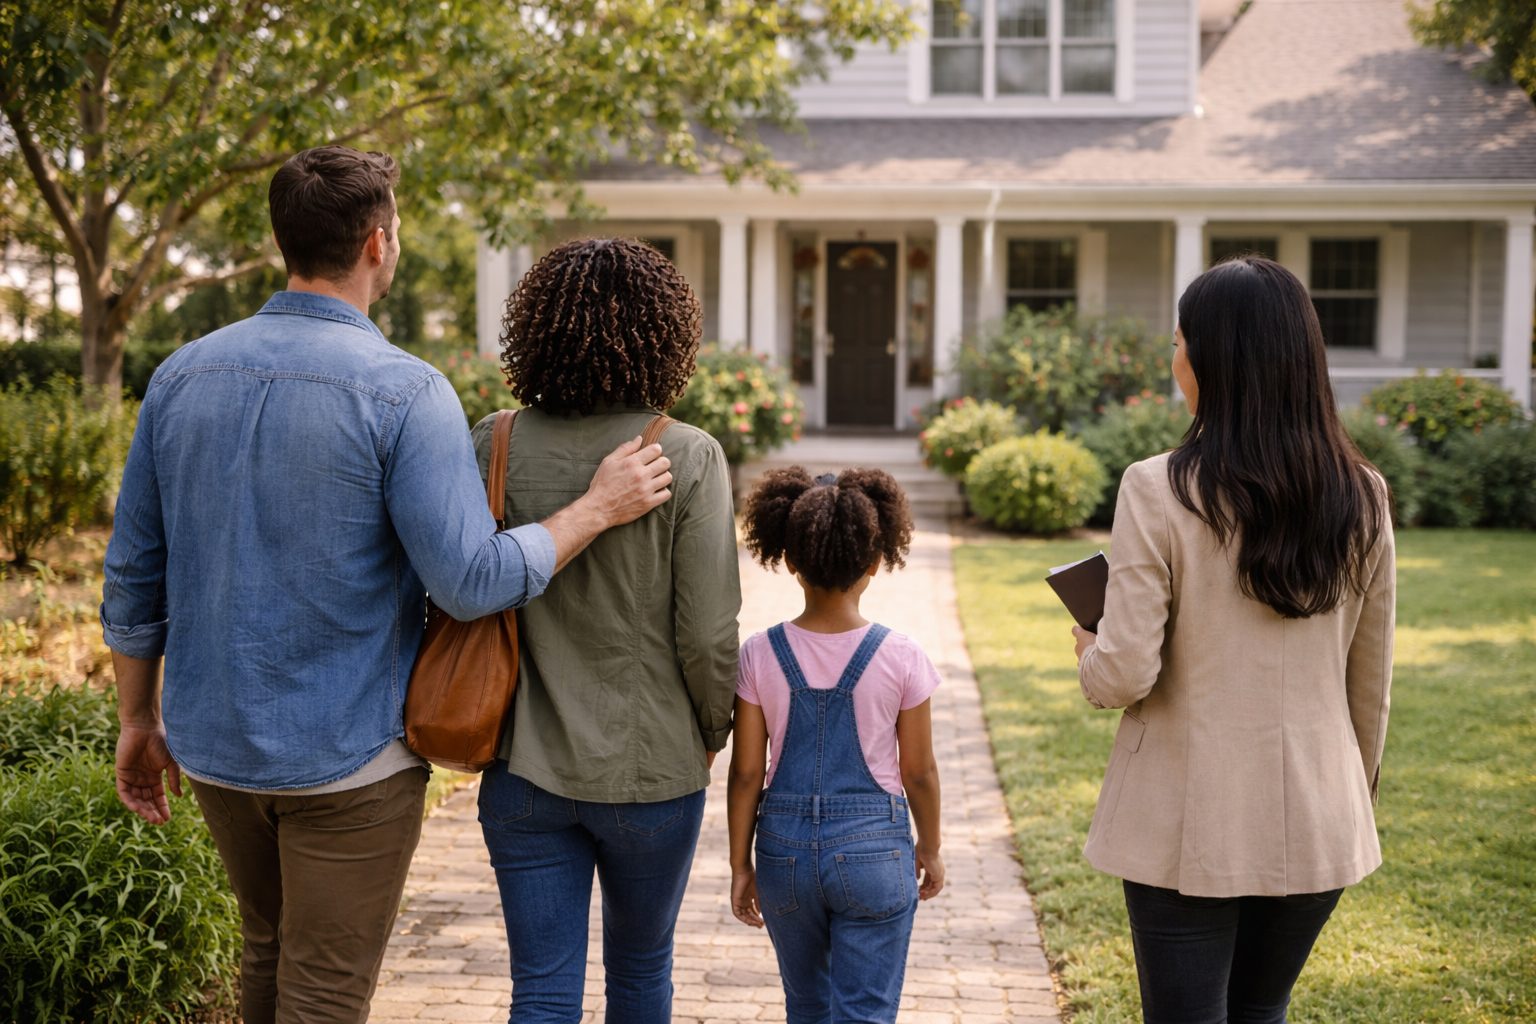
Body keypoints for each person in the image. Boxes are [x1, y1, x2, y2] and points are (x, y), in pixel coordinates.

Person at [102, 147, 674, 1024]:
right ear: (379, 243)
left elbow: (135, 572)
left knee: (269, 952)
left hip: (214, 748)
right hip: (349, 762)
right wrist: (593, 509)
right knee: (323, 993)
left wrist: (138, 719)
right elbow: (474, 579)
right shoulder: (404, 392)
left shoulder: (180, 375)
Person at [1072, 256, 1396, 1023]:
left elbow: (1121, 675)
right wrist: (1352, 793)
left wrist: (1087, 639)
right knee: (1261, 1013)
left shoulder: (1158, 487)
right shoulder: (1365, 492)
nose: (1172, 358)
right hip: (1321, 810)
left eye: (1178, 341)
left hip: (1187, 817)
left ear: (1209, 359)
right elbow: (1370, 680)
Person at [473, 237, 740, 1023]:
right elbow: (707, 633)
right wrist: (712, 729)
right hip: (651, 767)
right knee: (641, 971)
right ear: (666, 334)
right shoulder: (686, 455)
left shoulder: (496, 442)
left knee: (543, 991)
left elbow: (460, 583)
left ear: (538, 330)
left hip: (520, 765)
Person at [727, 466, 945, 1024]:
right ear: (875, 564)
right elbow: (918, 772)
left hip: (784, 854)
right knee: (865, 1013)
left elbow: (747, 773)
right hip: (875, 851)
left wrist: (740, 865)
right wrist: (931, 847)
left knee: (807, 1006)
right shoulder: (901, 656)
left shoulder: (758, 654)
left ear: (791, 562)